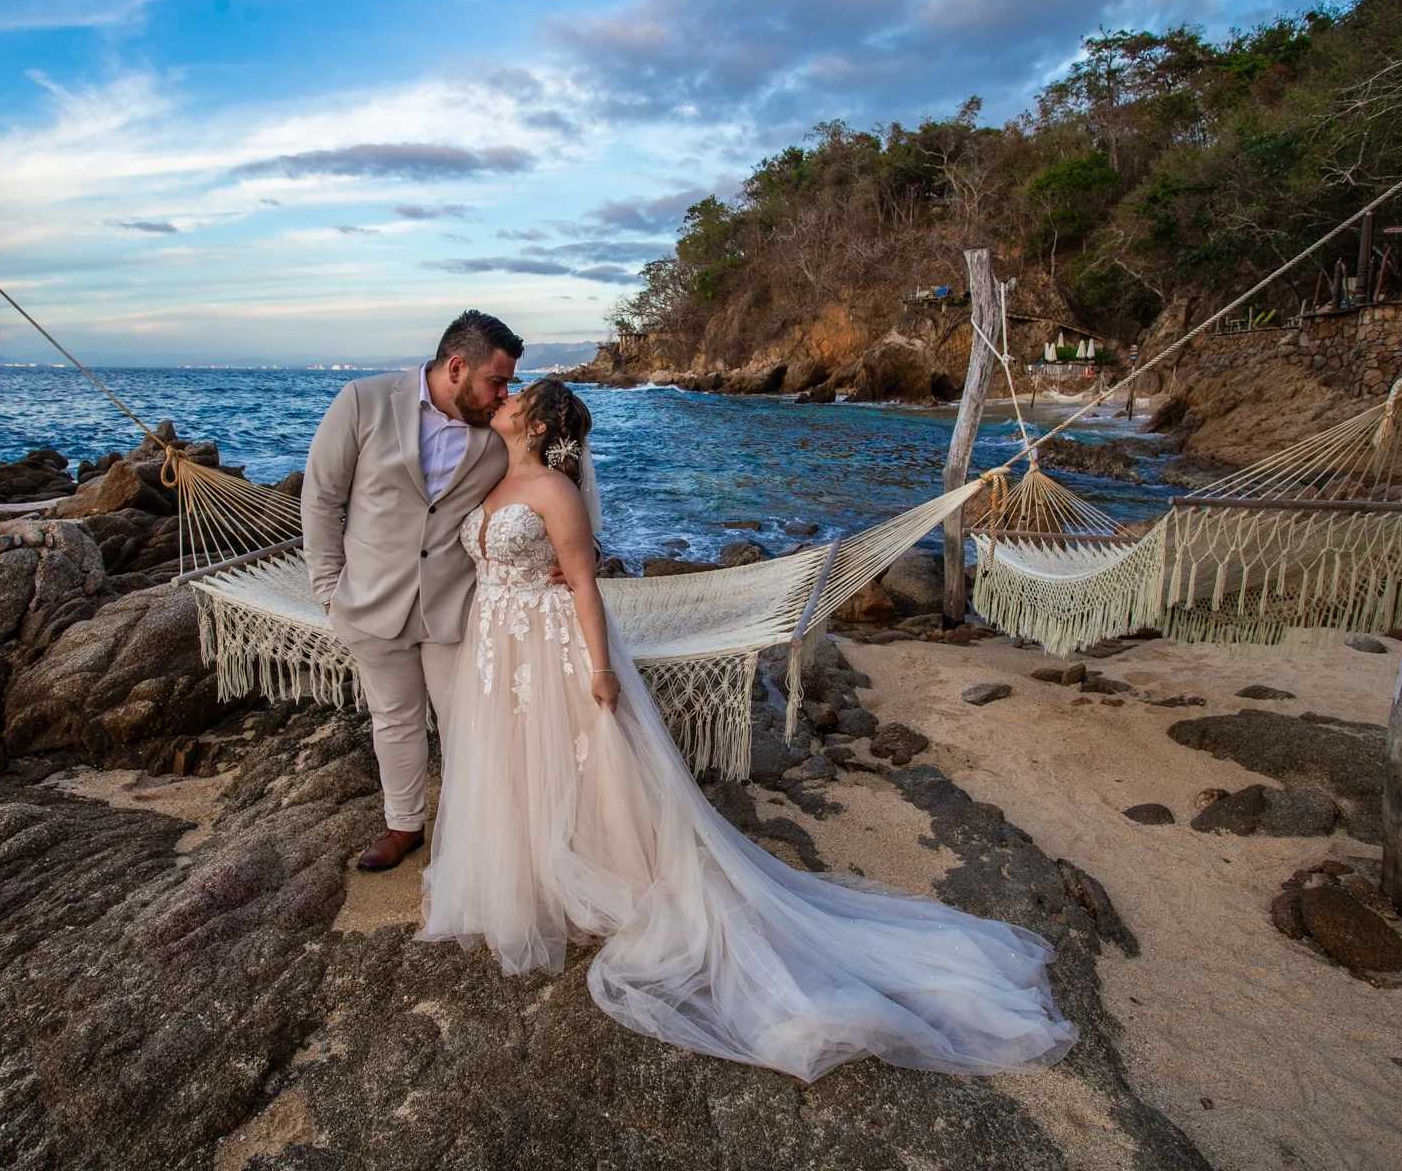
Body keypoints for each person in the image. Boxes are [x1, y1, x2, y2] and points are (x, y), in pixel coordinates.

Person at [418, 376, 1079, 1081]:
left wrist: (602, 668)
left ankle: (595, 872)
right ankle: (525, 874)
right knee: (514, 761)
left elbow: (583, 581)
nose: (505, 402)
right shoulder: (489, 474)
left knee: (579, 760)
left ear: (542, 428)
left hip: (552, 645)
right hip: (498, 644)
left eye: (518, 400)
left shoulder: (554, 492)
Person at [302, 310, 524, 871]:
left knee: (466, 723)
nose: (504, 394)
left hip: (455, 605)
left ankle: (470, 831)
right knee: (394, 720)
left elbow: (553, 482)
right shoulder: (362, 400)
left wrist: (570, 554)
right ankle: (404, 827)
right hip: (368, 602)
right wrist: (329, 590)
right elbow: (322, 498)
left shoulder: (499, 432)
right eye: (496, 381)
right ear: (456, 367)